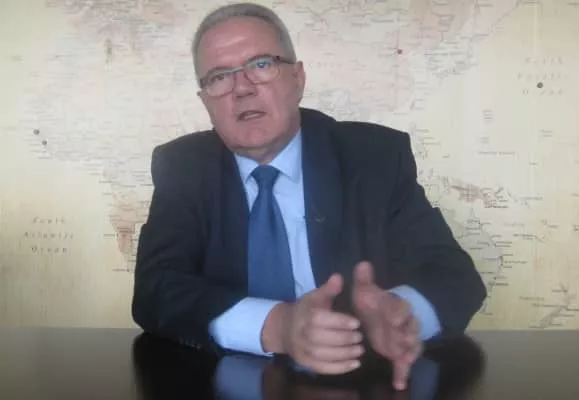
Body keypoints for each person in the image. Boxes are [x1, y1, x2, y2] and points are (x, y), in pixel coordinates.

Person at [132, 2, 486, 391]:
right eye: (219, 77)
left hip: (362, 380)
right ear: (205, 101)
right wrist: (278, 326)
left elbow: (454, 275)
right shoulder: (184, 167)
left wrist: (403, 313)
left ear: (297, 79)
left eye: (261, 64)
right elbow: (156, 289)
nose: (242, 88)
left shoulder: (373, 158)